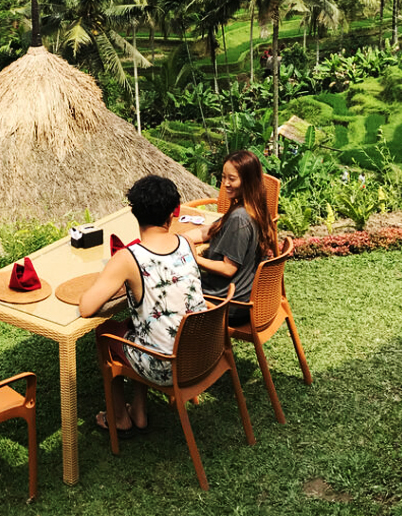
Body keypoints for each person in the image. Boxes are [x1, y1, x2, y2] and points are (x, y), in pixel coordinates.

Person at [80, 175, 210, 437]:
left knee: (104, 333)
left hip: (166, 367)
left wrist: (116, 278)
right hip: (203, 354)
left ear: (134, 212)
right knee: (136, 326)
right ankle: (139, 410)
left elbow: (86, 307)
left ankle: (119, 418)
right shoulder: (185, 244)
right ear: (173, 213)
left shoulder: (129, 258)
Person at [181, 150, 277, 325]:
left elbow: (228, 269)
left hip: (227, 303)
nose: (225, 183)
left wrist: (192, 258)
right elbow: (209, 230)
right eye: (224, 177)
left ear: (247, 181)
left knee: (168, 285)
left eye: (232, 179)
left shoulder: (240, 218)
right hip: (240, 295)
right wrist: (179, 239)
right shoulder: (252, 208)